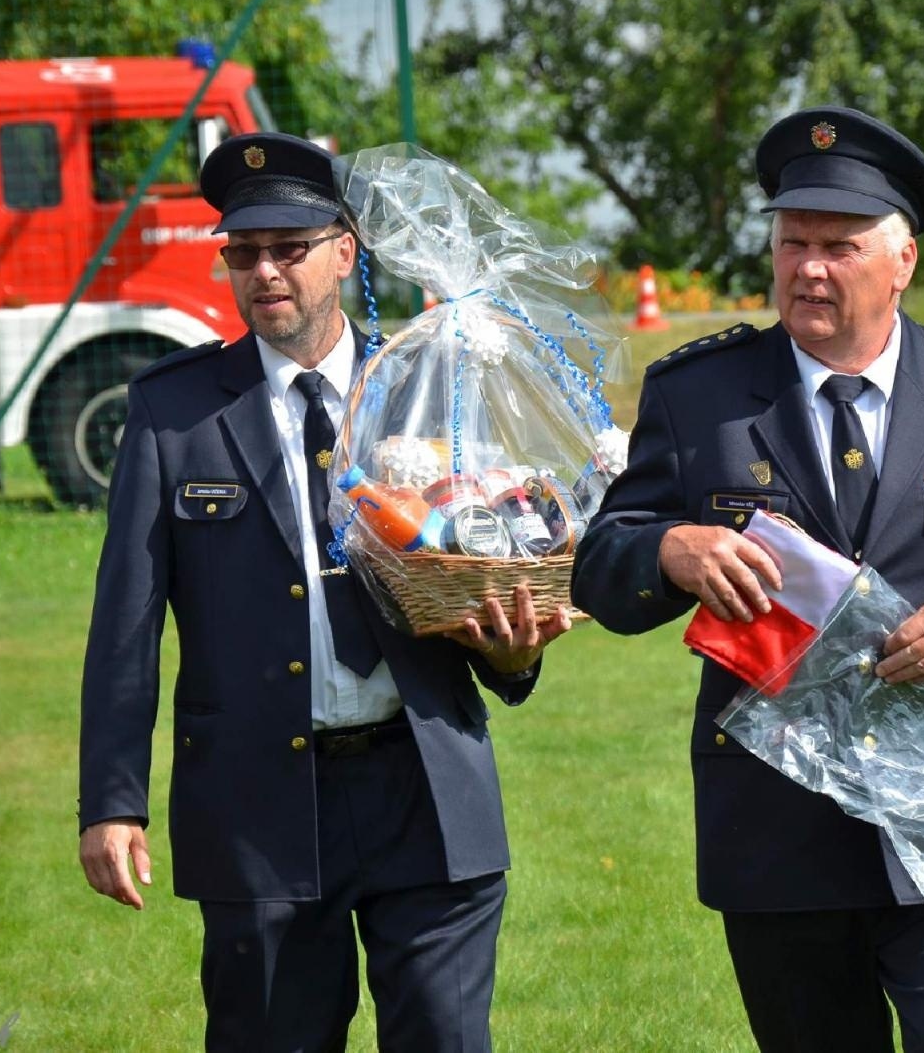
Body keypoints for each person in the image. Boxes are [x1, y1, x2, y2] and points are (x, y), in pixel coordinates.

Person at [571, 107, 924, 1052]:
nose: (809, 267)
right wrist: (669, 552)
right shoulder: (699, 396)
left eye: (840, 246)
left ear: (902, 261)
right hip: (779, 837)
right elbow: (601, 566)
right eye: (792, 243)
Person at [77, 131, 572, 1053]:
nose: (265, 272)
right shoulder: (172, 410)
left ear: (345, 251)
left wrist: (518, 653)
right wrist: (112, 800)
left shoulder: (430, 388)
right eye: (243, 252)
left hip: (426, 787)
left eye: (289, 249)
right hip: (257, 800)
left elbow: (490, 555)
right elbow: (126, 622)